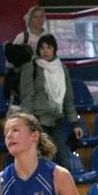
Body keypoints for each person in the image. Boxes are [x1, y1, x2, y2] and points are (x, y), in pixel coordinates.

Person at [19, 34, 83, 170]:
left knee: (64, 163)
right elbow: (27, 96)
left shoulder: (61, 68)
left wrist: (75, 123)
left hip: (57, 121)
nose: (45, 51)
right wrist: (27, 123)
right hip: (38, 121)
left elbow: (67, 98)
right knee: (43, 163)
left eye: (49, 47)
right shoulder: (32, 67)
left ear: (54, 49)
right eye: (42, 48)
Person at [4, 5, 47, 105]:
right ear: (30, 19)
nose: (39, 20)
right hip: (24, 80)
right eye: (35, 17)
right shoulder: (23, 37)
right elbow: (10, 60)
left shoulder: (48, 37)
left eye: (41, 16)